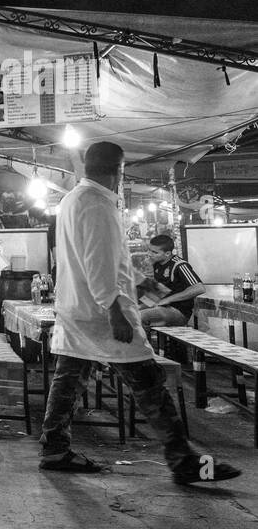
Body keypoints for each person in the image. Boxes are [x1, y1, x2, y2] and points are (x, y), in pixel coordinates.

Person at [41, 140, 239, 485]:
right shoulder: (98, 204)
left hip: (77, 310)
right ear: (119, 170)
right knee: (148, 383)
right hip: (102, 314)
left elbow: (101, 258)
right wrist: (115, 309)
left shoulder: (72, 199)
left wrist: (138, 279)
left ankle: (55, 448)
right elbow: (98, 264)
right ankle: (183, 460)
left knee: (68, 378)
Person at [139, 233, 204, 331]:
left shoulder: (180, 265)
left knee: (139, 317)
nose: (149, 254)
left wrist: (168, 300)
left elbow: (199, 288)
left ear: (167, 254)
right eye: (149, 250)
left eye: (154, 252)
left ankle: (143, 346)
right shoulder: (157, 265)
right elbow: (158, 292)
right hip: (161, 308)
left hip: (178, 312)